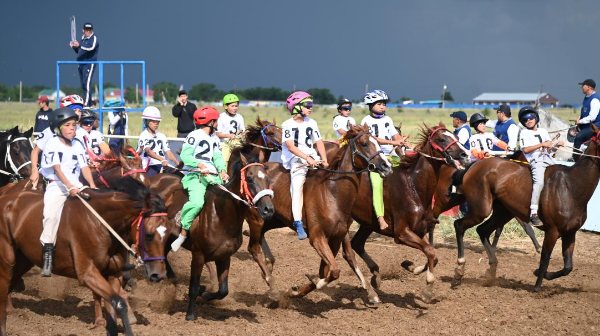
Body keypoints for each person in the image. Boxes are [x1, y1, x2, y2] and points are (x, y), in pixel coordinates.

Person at [39, 107, 97, 276]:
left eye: (74, 125)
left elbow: (84, 167)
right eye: (68, 125)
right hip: (57, 185)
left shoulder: (78, 144)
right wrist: (69, 186)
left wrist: (92, 187)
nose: (72, 128)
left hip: (76, 185)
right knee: (50, 215)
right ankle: (48, 254)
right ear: (59, 128)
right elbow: (57, 170)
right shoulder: (52, 143)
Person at [171, 106, 229, 251]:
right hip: (195, 176)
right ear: (210, 122)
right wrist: (199, 164)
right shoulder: (194, 135)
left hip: (213, 176)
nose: (217, 124)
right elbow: (185, 156)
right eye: (216, 121)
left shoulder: (215, 137)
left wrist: (222, 170)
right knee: (197, 203)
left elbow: (217, 156)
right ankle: (183, 233)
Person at [282, 91, 329, 240]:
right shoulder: (287, 124)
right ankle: (298, 222)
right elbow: (290, 146)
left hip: (313, 158)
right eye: (307, 105)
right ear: (296, 107)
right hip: (297, 160)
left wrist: (325, 159)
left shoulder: (312, 122)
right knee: (297, 188)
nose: (311, 108)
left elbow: (319, 142)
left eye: (311, 105)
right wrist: (307, 158)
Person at [360, 90, 404, 231]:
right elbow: (374, 139)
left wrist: (400, 141)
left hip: (391, 156)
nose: (382, 106)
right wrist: (392, 143)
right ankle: (380, 217)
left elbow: (395, 134)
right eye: (379, 104)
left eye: (384, 104)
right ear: (371, 105)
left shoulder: (388, 119)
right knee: (377, 185)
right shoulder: (366, 121)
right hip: (375, 158)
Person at [518, 106, 564, 227]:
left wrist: (557, 145)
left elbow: (549, 150)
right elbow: (526, 150)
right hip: (536, 161)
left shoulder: (543, 131)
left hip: (548, 159)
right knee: (539, 183)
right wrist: (541, 144)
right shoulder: (524, 133)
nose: (528, 120)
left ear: (536, 118)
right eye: (525, 119)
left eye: (530, 117)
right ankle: (533, 213)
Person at [137, 106, 179, 177]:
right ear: (147, 121)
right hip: (149, 166)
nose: (156, 123)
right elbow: (148, 151)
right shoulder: (144, 135)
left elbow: (168, 152)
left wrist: (177, 163)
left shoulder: (162, 136)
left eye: (157, 121)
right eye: (153, 121)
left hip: (162, 164)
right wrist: (162, 159)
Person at [69, 22, 99, 107]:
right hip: (81, 64)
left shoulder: (94, 38)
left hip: (89, 64)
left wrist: (79, 45)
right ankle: (87, 101)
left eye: (90, 30)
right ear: (83, 30)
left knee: (87, 83)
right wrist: (75, 47)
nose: (88, 31)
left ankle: (87, 104)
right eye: (86, 30)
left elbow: (90, 48)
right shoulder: (83, 39)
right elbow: (80, 52)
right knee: (83, 85)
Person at [574, 79, 600, 161]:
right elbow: (585, 111)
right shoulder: (587, 97)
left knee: (578, 137)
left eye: (583, 85)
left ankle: (580, 158)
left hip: (594, 127)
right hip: (586, 125)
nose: (582, 87)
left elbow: (592, 117)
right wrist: (579, 118)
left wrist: (580, 121)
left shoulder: (595, 99)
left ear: (588, 87)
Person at [216, 93, 245, 162]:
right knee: (225, 160)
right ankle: (223, 172)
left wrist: (244, 134)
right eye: (232, 106)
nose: (235, 108)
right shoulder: (221, 117)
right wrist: (228, 135)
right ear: (226, 106)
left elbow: (243, 131)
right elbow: (218, 134)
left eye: (236, 106)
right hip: (224, 144)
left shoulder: (239, 117)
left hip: (237, 143)